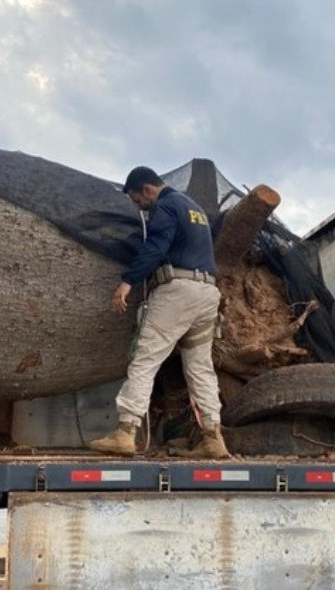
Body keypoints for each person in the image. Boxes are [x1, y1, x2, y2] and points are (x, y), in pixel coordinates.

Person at [88, 166, 229, 458]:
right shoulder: (195, 209)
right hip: (207, 294)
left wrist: (128, 281)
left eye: (137, 200)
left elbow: (155, 246)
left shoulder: (165, 206)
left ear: (147, 189)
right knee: (200, 367)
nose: (138, 207)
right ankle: (213, 438)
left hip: (178, 290)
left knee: (146, 358)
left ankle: (125, 433)